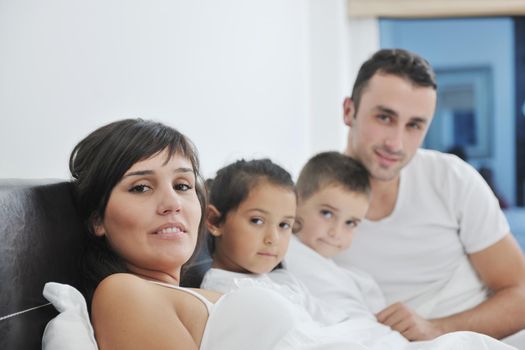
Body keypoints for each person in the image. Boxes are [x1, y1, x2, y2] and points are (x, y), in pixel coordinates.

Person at [199, 155, 515, 349]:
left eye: (284, 225)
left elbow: (333, 320)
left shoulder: (285, 281)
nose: (273, 239)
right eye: (257, 221)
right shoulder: (219, 293)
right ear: (214, 220)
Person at [336, 48, 525, 342]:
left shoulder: (452, 178)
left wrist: (436, 329)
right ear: (349, 111)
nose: (396, 143)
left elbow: (520, 293)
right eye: (385, 117)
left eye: (414, 125)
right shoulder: (304, 206)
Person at [285, 151, 386, 322]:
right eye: (326, 213)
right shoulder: (282, 251)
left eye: (350, 223)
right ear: (296, 201)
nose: (336, 233)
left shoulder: (357, 279)